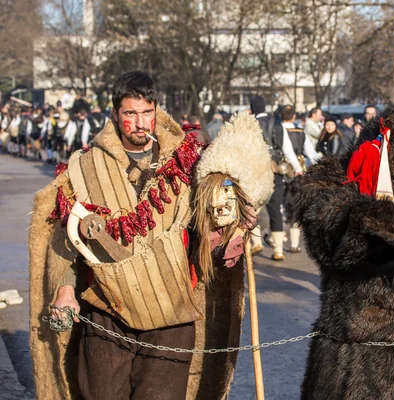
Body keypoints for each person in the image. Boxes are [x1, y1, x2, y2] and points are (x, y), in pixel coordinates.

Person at [29, 71, 251, 400]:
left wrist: (236, 225)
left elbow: (210, 221)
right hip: (107, 311)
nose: (140, 122)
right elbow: (68, 240)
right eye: (130, 114)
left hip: (171, 313)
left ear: (156, 111)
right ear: (116, 115)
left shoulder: (188, 162)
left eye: (147, 112)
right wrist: (64, 289)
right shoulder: (85, 167)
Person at [251, 96, 291, 260]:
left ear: (252, 108)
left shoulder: (251, 125)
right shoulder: (277, 122)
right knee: (275, 209)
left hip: (257, 171)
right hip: (276, 170)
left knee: (252, 208)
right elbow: (286, 147)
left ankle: (256, 242)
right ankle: (278, 250)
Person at [280, 105, 320, 254]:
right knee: (294, 205)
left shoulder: (276, 130)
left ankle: (276, 237)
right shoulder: (300, 132)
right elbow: (311, 153)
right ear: (294, 116)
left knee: (277, 206)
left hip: (278, 171)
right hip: (296, 172)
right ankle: (294, 243)